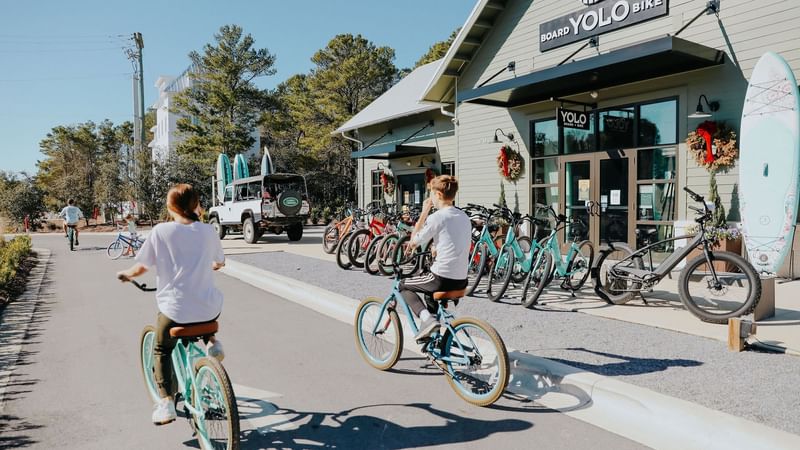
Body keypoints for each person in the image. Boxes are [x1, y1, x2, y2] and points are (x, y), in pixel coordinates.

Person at [116, 184, 226, 426]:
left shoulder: (161, 231)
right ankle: (212, 342)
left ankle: (166, 403)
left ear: (170, 206)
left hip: (175, 310)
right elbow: (219, 263)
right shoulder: (208, 231)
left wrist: (127, 275)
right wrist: (208, 266)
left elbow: (142, 266)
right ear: (196, 205)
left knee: (161, 349)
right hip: (209, 308)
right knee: (203, 311)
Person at [400, 175, 471, 340]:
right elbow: (453, 240)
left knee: (403, 286)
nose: (430, 197)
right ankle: (433, 337)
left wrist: (424, 211)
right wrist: (435, 248)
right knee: (428, 293)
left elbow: (414, 242)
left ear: (438, 195)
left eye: (431, 193)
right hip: (461, 279)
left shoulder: (437, 217)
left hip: (441, 277)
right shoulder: (464, 216)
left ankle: (428, 320)